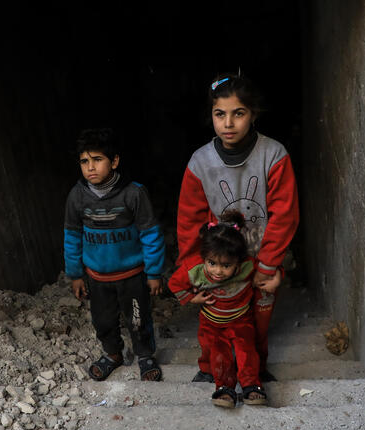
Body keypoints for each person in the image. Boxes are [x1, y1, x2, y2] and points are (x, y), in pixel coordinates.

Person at [176, 73, 299, 383]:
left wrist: (270, 266)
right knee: (216, 318)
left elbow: (284, 214)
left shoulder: (273, 155)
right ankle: (211, 369)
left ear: (253, 114)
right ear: (212, 116)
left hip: (260, 259)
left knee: (257, 319)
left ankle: (255, 370)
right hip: (220, 260)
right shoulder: (200, 162)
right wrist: (194, 267)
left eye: (238, 113)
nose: (228, 123)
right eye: (220, 114)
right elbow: (189, 221)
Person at [64, 128, 165, 382]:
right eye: (84, 161)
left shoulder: (134, 193)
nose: (90, 167)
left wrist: (154, 273)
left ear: (115, 161)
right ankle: (112, 355)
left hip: (132, 274)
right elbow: (72, 237)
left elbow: (150, 234)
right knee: (103, 320)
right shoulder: (77, 196)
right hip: (97, 277)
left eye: (97, 159)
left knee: (138, 318)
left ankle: (145, 356)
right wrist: (75, 274)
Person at [168, 210, 278, 408]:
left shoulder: (247, 266)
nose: (218, 271)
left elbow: (268, 270)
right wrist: (193, 298)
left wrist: (276, 277)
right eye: (212, 263)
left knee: (247, 351)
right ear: (204, 258)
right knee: (219, 354)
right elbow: (174, 284)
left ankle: (251, 386)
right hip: (212, 324)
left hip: (241, 320)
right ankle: (225, 388)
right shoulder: (194, 270)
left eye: (226, 265)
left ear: (238, 262)